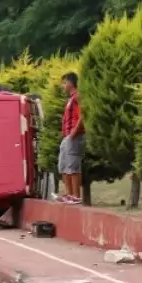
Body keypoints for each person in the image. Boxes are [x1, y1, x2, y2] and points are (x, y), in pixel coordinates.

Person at [58, 72, 85, 204]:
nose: (62, 86)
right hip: (67, 136)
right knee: (64, 166)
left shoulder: (77, 97)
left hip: (74, 136)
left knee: (73, 166)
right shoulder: (70, 99)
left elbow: (83, 115)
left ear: (70, 83)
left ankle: (76, 196)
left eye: (64, 83)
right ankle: (68, 194)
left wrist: (74, 132)